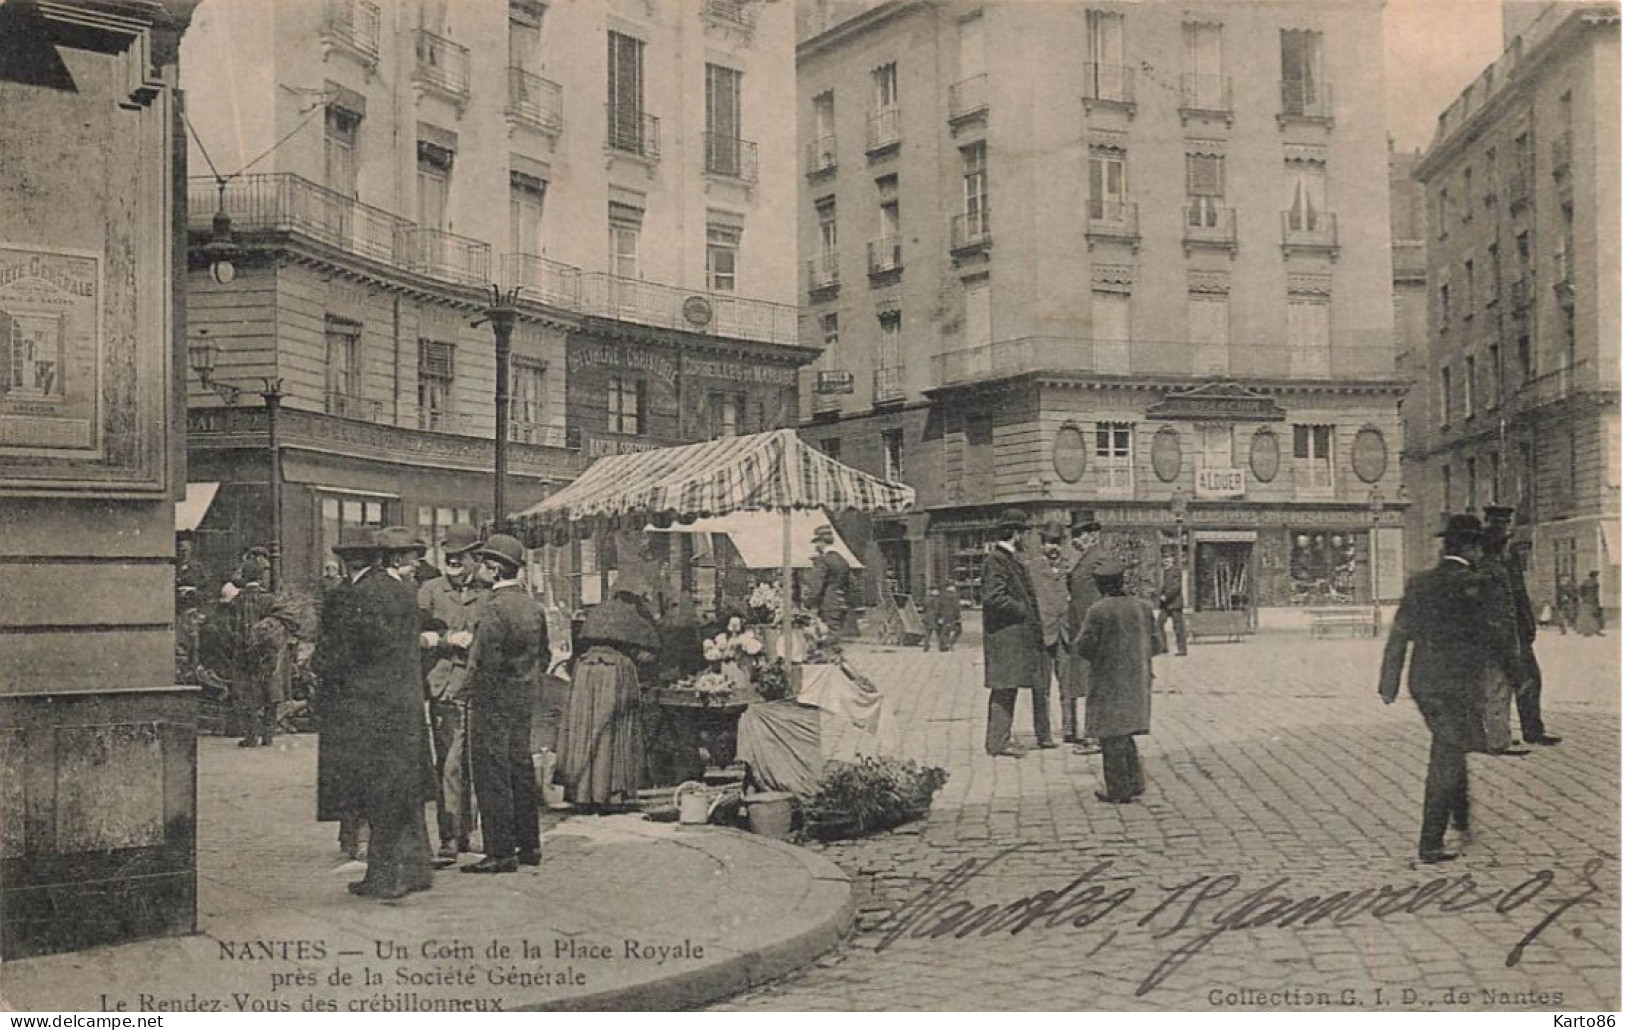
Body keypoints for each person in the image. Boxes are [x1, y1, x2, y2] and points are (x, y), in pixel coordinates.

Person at [1379, 514, 1518, 864]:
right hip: (1458, 684)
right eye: (1478, 548)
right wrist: (1517, 674)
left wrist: (1389, 682)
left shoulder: (1419, 583)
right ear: (1471, 547)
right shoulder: (1473, 584)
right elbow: (1494, 634)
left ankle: (1461, 815)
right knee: (1447, 754)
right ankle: (1430, 843)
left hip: (1424, 682)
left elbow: (1399, 635)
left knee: (1454, 741)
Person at [341, 526, 437, 899]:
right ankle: (411, 870)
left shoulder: (362, 594)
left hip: (376, 709)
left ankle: (387, 877)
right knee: (403, 792)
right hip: (404, 704)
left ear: (348, 559)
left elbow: (358, 655)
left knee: (383, 795)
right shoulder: (401, 591)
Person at [461, 534, 546, 873]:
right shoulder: (532, 606)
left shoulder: (494, 608)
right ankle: (529, 845)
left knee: (492, 773)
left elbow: (485, 662)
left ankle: (500, 851)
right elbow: (544, 654)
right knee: (520, 769)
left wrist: (469, 693)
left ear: (494, 569)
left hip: (493, 700)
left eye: (483, 563)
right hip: (522, 698)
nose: (480, 568)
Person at [560, 569, 661, 808]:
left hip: (585, 672)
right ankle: (611, 795)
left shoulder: (596, 611)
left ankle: (583, 794)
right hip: (613, 671)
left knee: (586, 729)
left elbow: (576, 651)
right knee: (614, 730)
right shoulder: (634, 616)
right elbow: (651, 651)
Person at [417, 523, 487, 862]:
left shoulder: (488, 593)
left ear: (475, 557)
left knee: (473, 762)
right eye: (449, 555)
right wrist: (446, 640)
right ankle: (448, 836)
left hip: (478, 686)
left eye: (461, 555)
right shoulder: (430, 591)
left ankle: (467, 833)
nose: (454, 561)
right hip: (444, 686)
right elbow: (414, 636)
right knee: (448, 763)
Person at [1075, 559, 1162, 803]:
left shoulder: (1099, 610)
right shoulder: (1143, 607)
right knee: (1125, 731)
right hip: (1136, 679)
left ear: (1100, 585)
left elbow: (1084, 647)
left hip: (1108, 681)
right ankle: (1135, 781)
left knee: (1110, 734)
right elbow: (1157, 644)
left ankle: (1118, 789)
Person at [315, 530, 375, 862]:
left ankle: (349, 832)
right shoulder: (372, 594)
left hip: (339, 693)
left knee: (345, 765)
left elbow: (324, 648)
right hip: (361, 692)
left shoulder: (337, 597)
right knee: (363, 763)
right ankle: (359, 833)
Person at [1483, 506, 1559, 747]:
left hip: (1519, 632)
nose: (1504, 527)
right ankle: (1495, 734)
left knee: (1530, 680)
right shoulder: (1486, 554)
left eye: (1506, 522)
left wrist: (1528, 623)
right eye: (1499, 522)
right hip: (1496, 632)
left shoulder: (1510, 555)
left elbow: (1520, 594)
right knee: (1497, 684)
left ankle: (1533, 730)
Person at [980, 509, 1049, 757]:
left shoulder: (1007, 559)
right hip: (1005, 637)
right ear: (1016, 533)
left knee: (1007, 687)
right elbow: (993, 597)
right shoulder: (996, 560)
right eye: (1024, 532)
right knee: (1004, 687)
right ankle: (998, 743)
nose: (1026, 538)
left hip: (1011, 637)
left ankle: (1000, 739)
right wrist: (1023, 609)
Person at [1060, 510, 1107, 749]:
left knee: (1092, 685)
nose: (1075, 540)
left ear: (1092, 535)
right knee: (1086, 684)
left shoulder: (1098, 559)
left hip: (1092, 632)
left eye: (1079, 534)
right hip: (1081, 631)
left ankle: (1096, 736)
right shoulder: (1085, 558)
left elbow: (1104, 599)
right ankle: (1092, 733)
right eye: (1074, 534)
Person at [1027, 519, 1074, 749]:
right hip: (1043, 633)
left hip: (1066, 634)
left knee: (1068, 685)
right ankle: (1043, 735)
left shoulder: (1070, 566)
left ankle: (1070, 729)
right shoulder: (1033, 568)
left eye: (1057, 543)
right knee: (1041, 687)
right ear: (1042, 544)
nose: (1053, 547)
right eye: (1049, 543)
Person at [228, 553, 280, 747]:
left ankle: (251, 736)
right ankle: (268, 735)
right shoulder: (269, 599)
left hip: (243, 652)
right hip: (266, 652)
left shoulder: (237, 601)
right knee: (269, 691)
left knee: (247, 692)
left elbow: (230, 627)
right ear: (260, 576)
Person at [804, 525, 853, 641]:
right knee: (836, 631)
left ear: (821, 542)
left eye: (816, 542)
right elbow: (850, 582)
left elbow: (817, 585)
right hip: (841, 601)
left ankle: (831, 656)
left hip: (828, 602)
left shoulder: (823, 560)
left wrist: (809, 602)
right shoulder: (842, 560)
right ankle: (835, 656)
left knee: (827, 632)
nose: (816, 546)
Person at [1155, 554, 1188, 657]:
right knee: (1159, 624)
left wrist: (1166, 596)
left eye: (1168, 560)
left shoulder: (1176, 571)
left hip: (1174, 604)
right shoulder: (1165, 572)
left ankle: (1182, 649)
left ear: (1172, 561)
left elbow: (1176, 587)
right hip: (1166, 605)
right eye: (1164, 560)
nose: (1166, 562)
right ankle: (1163, 647)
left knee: (1178, 627)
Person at [1577, 570, 1605, 636]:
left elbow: (1580, 591)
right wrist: (1597, 602)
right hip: (1592, 601)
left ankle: (1587, 632)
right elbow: (1596, 594)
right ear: (1594, 576)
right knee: (1594, 616)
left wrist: (1583, 597)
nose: (1597, 577)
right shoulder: (1595, 583)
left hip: (1586, 601)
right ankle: (1595, 631)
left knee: (1586, 617)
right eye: (1596, 576)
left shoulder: (1585, 582)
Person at [938, 583, 963, 651]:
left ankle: (944, 645)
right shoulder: (955, 596)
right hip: (952, 616)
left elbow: (939, 606)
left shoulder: (942, 596)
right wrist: (958, 617)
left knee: (945, 631)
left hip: (944, 615)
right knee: (958, 630)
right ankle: (950, 643)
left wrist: (939, 616)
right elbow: (956, 607)